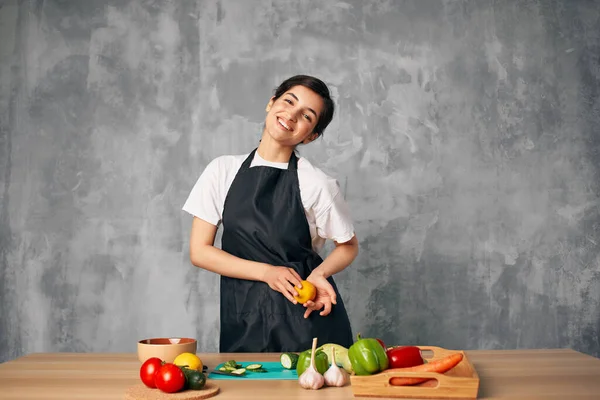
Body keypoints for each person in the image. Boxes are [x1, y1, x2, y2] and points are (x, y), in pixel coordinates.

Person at [182, 75, 358, 353]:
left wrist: (319, 274)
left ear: (310, 135)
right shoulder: (222, 171)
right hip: (244, 316)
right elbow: (199, 252)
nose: (291, 115)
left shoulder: (317, 184)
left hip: (307, 320)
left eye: (307, 116)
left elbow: (348, 245)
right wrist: (266, 273)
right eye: (288, 101)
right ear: (271, 103)